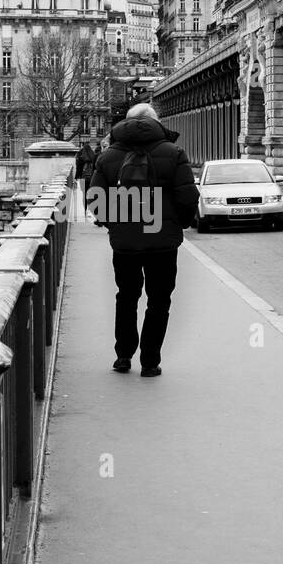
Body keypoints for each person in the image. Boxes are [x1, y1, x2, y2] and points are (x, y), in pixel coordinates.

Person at [88, 102, 198, 378]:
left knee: (126, 296)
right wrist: (179, 224)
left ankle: (123, 355)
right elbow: (187, 197)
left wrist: (112, 223)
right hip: (163, 241)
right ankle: (150, 361)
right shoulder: (174, 153)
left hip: (125, 242)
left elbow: (95, 198)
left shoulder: (108, 156)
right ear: (156, 123)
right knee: (159, 300)